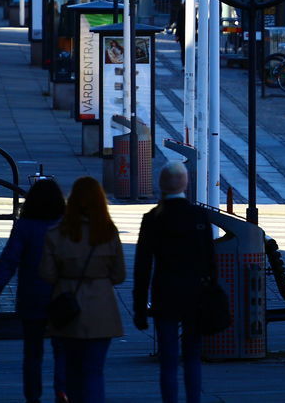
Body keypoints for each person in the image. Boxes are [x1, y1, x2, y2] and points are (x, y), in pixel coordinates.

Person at [133, 163, 215, 403]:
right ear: (185, 183)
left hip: (165, 293)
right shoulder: (198, 216)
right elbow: (210, 261)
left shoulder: (153, 218)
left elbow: (143, 266)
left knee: (168, 360)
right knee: (192, 357)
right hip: (195, 295)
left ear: (161, 185)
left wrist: (139, 307)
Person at [40, 176, 126, 403]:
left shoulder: (57, 233)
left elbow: (47, 274)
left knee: (72, 371)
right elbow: (119, 275)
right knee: (94, 372)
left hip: (69, 307)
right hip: (101, 308)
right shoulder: (108, 232)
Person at [0, 179, 68, 403]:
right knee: (62, 349)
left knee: (32, 353)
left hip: (32, 297)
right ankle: (63, 391)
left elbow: (9, 260)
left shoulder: (25, 226)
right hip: (62, 297)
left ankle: (33, 396)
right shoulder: (66, 225)